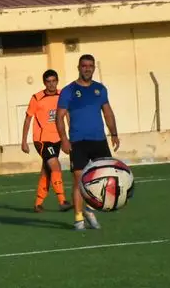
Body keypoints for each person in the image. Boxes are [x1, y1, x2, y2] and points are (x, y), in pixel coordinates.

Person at [56, 54, 120, 230]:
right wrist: (64, 140)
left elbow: (108, 112)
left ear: (94, 68)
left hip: (99, 140)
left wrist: (114, 133)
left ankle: (89, 210)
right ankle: (78, 219)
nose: (87, 69)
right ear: (79, 68)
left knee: (104, 178)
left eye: (90, 66)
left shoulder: (100, 89)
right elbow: (59, 117)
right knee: (79, 180)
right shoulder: (68, 91)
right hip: (78, 142)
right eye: (84, 66)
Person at [21, 69, 72, 213]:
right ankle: (62, 201)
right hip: (42, 140)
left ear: (57, 81)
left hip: (57, 139)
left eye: (54, 81)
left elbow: (68, 115)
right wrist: (24, 141)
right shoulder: (37, 98)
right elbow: (28, 119)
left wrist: (70, 136)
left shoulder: (63, 95)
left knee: (47, 171)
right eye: (48, 81)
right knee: (55, 165)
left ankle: (38, 204)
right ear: (44, 83)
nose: (51, 84)